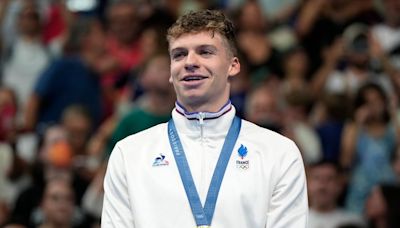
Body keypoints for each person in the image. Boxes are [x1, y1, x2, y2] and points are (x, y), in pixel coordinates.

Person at [102, 9, 308, 228]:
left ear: (233, 65)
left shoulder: (278, 153)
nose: (190, 62)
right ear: (171, 72)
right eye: (179, 54)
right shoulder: (130, 154)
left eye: (205, 52)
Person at [307, 160, 365, 228]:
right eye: (317, 178)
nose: (322, 184)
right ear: (307, 184)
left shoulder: (354, 222)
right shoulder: (296, 221)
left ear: (340, 185)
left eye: (329, 178)